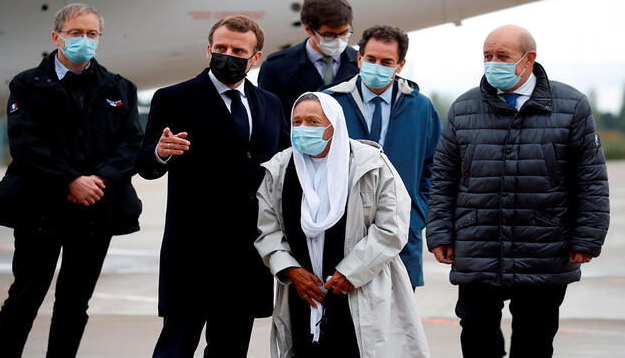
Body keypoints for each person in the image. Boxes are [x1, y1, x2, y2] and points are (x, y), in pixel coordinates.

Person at [426, 25, 610, 358]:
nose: (492, 62)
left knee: (535, 341)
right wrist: (439, 232)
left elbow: (591, 179)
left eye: (502, 56)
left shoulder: (570, 106)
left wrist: (587, 237)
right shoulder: (464, 108)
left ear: (529, 59)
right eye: (487, 55)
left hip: (543, 249)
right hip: (478, 248)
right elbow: (444, 177)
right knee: (477, 339)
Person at [0, 3, 143, 358]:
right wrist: (71, 180)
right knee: (24, 296)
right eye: (75, 33)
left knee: (75, 302)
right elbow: (26, 145)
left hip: (95, 210)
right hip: (39, 209)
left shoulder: (119, 88)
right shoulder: (27, 84)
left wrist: (97, 181)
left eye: (91, 34)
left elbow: (131, 145)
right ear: (57, 37)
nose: (83, 41)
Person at [136, 15, 288, 358]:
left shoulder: (270, 103)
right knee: (177, 344)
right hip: (193, 248)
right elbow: (145, 164)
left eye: (238, 50)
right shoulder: (173, 98)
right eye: (221, 48)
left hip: (248, 250)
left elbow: (281, 165)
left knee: (231, 348)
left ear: (256, 57)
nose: (227, 55)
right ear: (208, 50)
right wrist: (160, 152)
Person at [255, 92, 430, 358]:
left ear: (333, 125)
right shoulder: (279, 167)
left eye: (313, 122)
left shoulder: (371, 164)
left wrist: (351, 272)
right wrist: (289, 269)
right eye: (298, 121)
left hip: (359, 287)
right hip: (302, 292)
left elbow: (392, 226)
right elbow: (267, 229)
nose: (303, 129)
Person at [325, 25, 441, 288]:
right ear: (359, 59)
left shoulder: (421, 108)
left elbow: (434, 168)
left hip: (400, 238)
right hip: (341, 234)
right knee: (344, 325)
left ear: (400, 65)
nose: (377, 66)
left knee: (398, 325)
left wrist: (415, 216)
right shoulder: (330, 103)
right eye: (371, 59)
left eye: (386, 61)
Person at [258, 0, 358, 121]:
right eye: (329, 35)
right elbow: (269, 120)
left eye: (344, 33)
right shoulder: (276, 68)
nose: (338, 40)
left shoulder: (360, 62)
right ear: (309, 30)